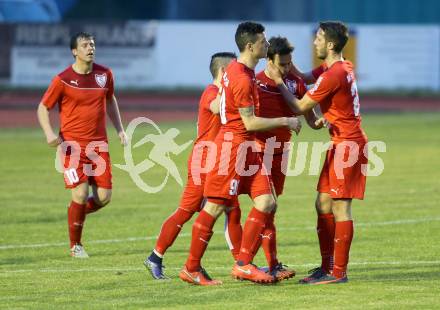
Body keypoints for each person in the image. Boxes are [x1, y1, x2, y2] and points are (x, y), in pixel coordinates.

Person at [179, 21, 301, 286]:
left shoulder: (238, 70)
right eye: (263, 42)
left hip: (247, 148)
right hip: (233, 147)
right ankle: (191, 267)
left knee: (267, 202)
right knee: (214, 205)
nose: (267, 46)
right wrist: (285, 121)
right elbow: (250, 123)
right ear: (250, 45)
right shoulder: (243, 78)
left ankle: (243, 264)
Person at [268, 21, 368, 284]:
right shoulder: (337, 66)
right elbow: (302, 77)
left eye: (319, 38)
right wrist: (280, 57)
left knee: (340, 207)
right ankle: (328, 265)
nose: (315, 42)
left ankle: (339, 273)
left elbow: (300, 105)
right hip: (340, 143)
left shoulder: (333, 74)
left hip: (348, 145)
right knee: (322, 204)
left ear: (331, 44)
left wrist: (279, 82)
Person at [225, 36, 325, 281]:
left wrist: (320, 121)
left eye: (290, 63)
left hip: (282, 152)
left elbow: (311, 120)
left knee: (270, 208)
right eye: (282, 64)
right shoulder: (255, 82)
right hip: (258, 151)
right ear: (269, 61)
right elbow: (246, 120)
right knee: (263, 205)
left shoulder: (295, 82)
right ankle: (249, 261)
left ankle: (269, 264)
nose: (287, 68)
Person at [143, 52, 242, 280]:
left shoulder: (224, 91)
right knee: (186, 211)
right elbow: (217, 108)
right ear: (224, 72)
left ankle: (243, 263)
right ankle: (155, 257)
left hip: (221, 161)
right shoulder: (211, 92)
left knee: (232, 209)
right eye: (235, 69)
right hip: (204, 161)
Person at [37, 32, 127, 258]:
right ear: (74, 51)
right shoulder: (63, 79)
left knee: (104, 198)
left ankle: (75, 214)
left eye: (93, 44)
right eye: (85, 45)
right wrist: (49, 134)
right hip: (71, 147)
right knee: (80, 192)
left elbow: (110, 100)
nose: (90, 48)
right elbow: (42, 108)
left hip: (99, 148)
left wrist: (120, 129)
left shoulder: (105, 75)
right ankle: (75, 245)